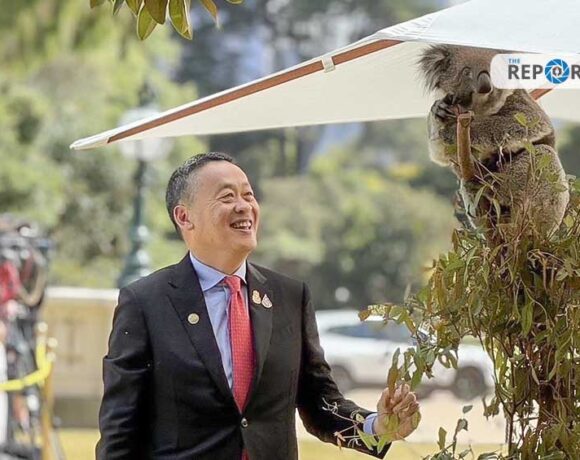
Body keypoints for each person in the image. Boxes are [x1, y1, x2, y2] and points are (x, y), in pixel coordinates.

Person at [97, 153, 420, 460]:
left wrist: (377, 426)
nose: (244, 206)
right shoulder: (146, 302)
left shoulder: (289, 296)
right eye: (227, 197)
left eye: (248, 195)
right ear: (185, 217)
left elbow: (319, 401)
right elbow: (120, 428)